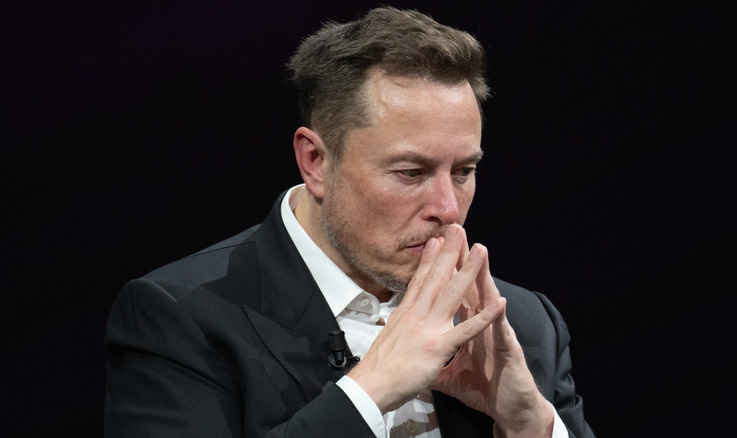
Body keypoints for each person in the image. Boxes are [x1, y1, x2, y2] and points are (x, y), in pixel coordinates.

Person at [104, 7, 594, 438]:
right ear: (316, 161)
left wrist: (530, 425)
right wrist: (371, 388)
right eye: (411, 172)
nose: (447, 207)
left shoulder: (526, 328)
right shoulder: (181, 319)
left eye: (464, 171)